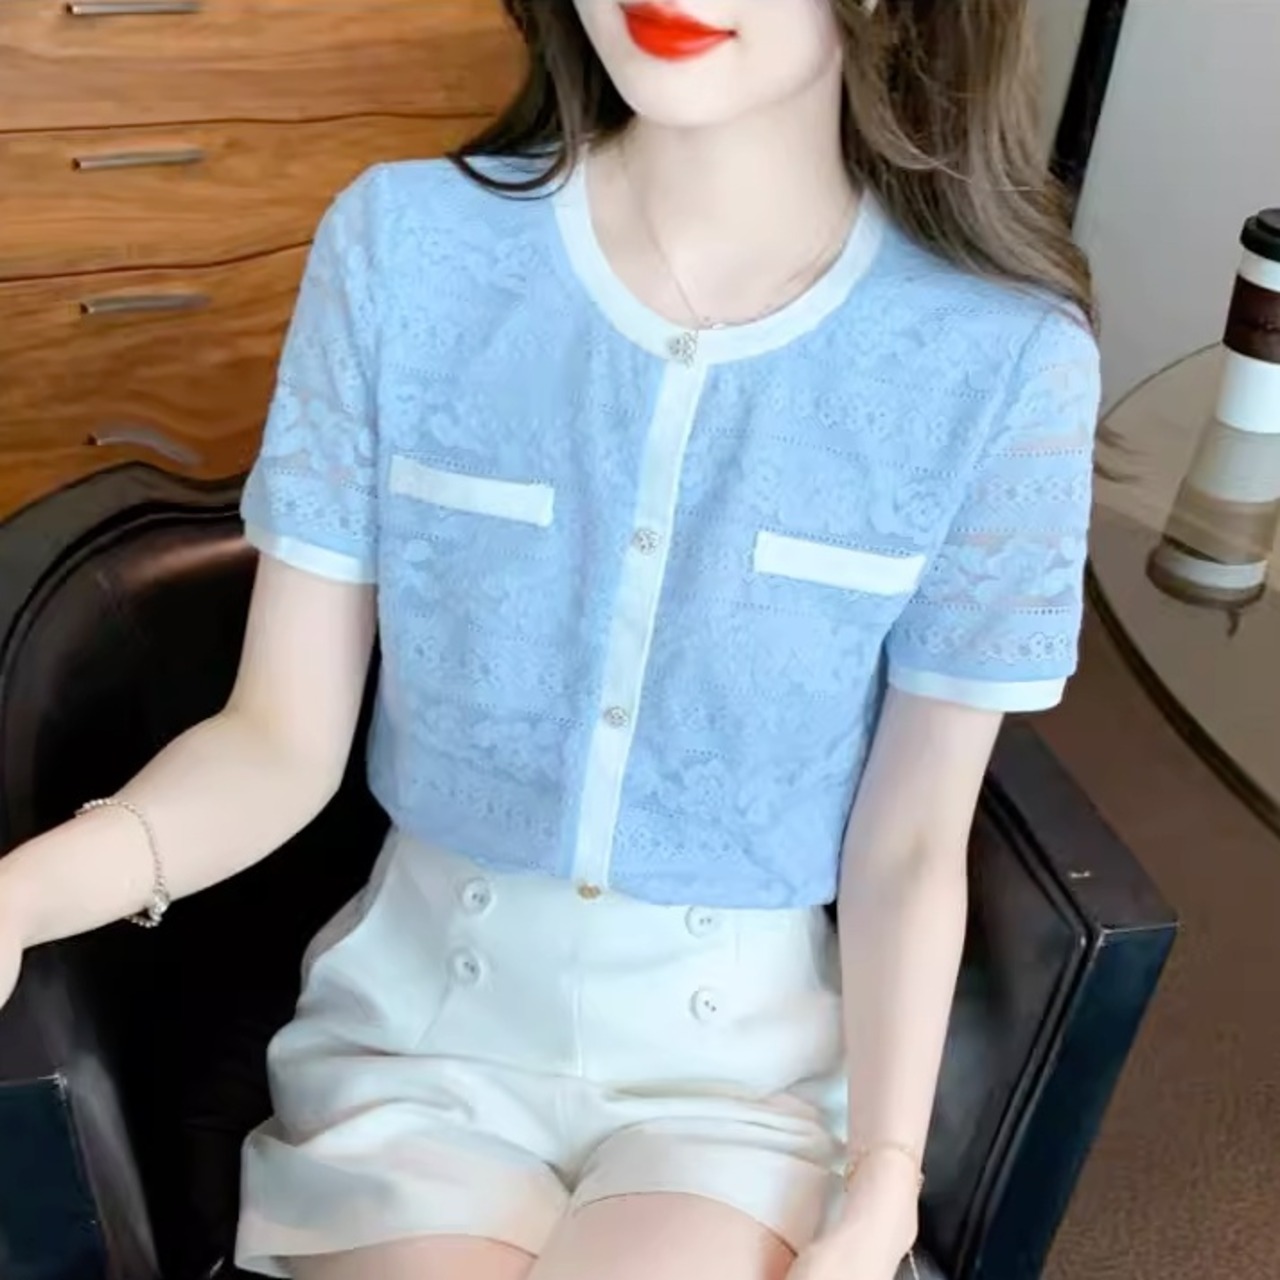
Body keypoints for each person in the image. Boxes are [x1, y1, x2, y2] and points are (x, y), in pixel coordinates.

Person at [0, 1, 1102, 1277]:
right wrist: (20, 894)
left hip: (741, 1078)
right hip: (422, 1034)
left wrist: (883, 1185)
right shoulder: (405, 247)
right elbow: (275, 740)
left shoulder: (1001, 358)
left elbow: (909, 840)